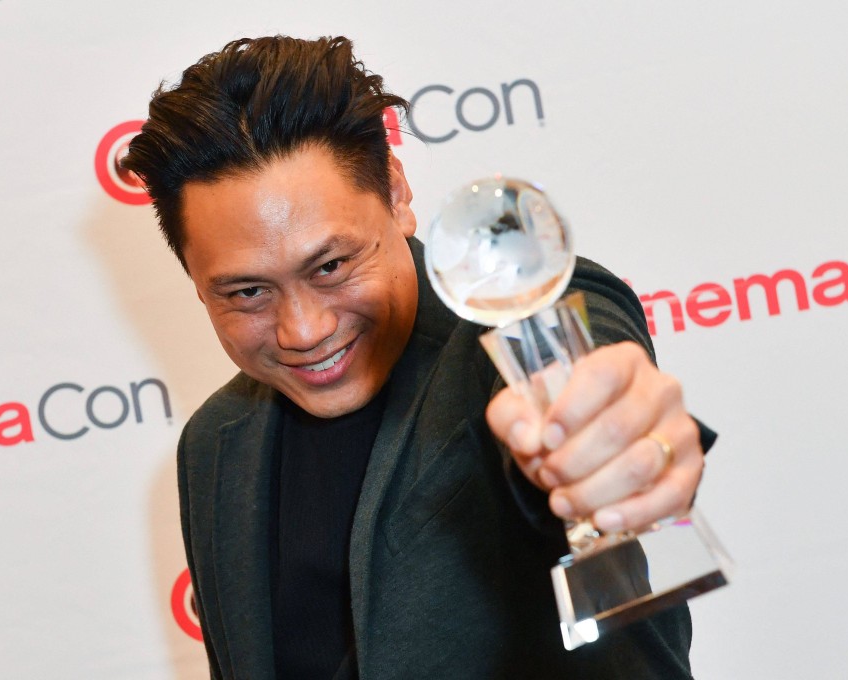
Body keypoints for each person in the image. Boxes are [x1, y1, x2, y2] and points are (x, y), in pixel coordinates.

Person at [122, 35, 714, 680]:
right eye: (247, 292)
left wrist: (614, 434)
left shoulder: (502, 334)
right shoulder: (214, 444)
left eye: (331, 265)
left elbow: (576, 340)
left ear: (397, 194)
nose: (302, 330)